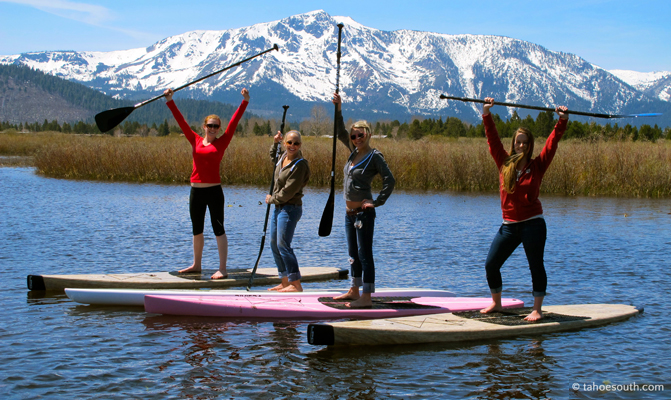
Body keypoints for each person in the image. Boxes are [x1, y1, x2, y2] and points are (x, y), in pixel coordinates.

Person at [480, 97, 568, 321]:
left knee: (535, 265)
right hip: (509, 226)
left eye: (525, 143)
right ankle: (496, 303)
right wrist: (486, 113)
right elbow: (492, 139)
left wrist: (562, 121)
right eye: (518, 142)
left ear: (530, 146)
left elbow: (552, 143)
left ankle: (537, 309)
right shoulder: (504, 162)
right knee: (491, 264)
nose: (521, 145)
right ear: (513, 144)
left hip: (533, 224)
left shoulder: (537, 165)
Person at [163, 87, 250, 280]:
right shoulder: (194, 139)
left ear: (219, 128)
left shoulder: (222, 142)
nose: (212, 129)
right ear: (204, 126)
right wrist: (170, 100)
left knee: (218, 229)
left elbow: (234, 122)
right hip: (196, 192)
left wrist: (244, 101)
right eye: (210, 125)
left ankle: (223, 269)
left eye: (216, 126)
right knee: (197, 230)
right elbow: (181, 121)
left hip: (214, 192)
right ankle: (196, 265)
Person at [331, 92, 395, 308]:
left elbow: (390, 180)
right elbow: (339, 131)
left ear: (368, 135)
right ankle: (354, 290)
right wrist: (339, 108)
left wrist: (377, 202)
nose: (357, 139)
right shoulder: (352, 153)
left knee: (364, 254)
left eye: (361, 135)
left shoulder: (374, 156)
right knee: (352, 255)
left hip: (364, 214)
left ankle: (366, 297)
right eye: (354, 136)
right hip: (349, 214)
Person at [265, 130, 311, 292]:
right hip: (279, 208)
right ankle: (284, 281)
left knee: (283, 245)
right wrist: (275, 143)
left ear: (300, 145)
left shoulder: (300, 165)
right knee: (274, 244)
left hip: (290, 208)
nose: (292, 146)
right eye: (289, 142)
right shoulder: (282, 157)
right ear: (285, 143)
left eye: (296, 143)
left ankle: (295, 284)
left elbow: (288, 192)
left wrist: (271, 199)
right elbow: (273, 157)